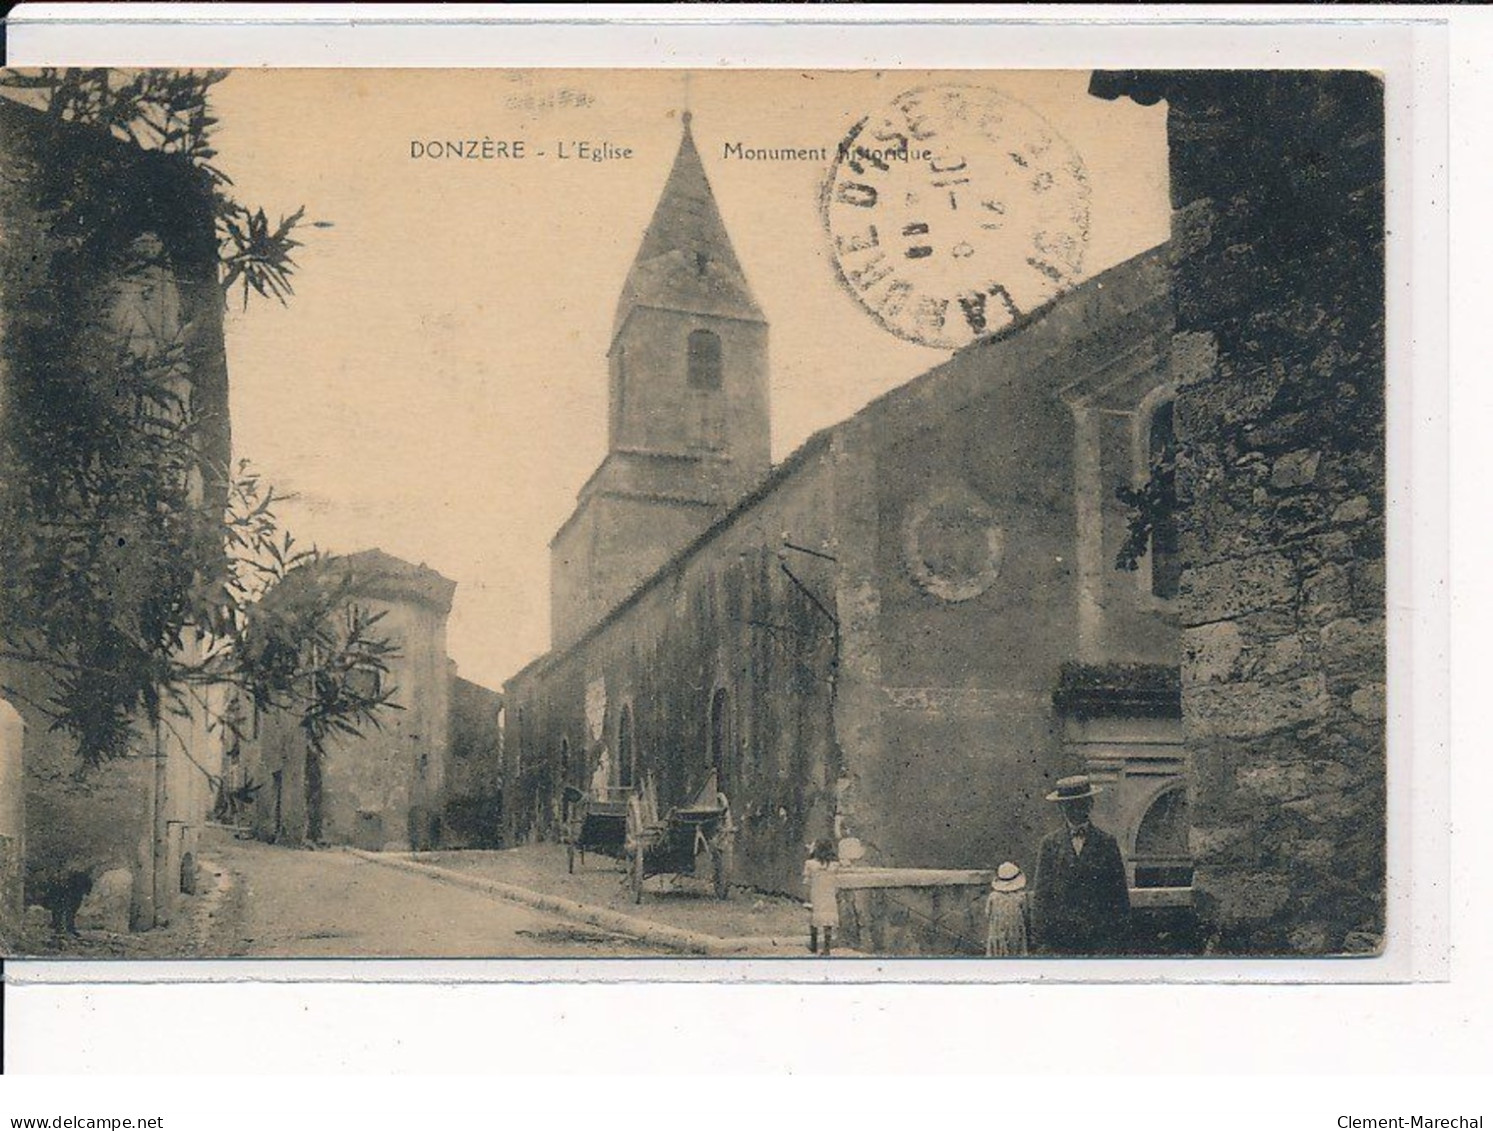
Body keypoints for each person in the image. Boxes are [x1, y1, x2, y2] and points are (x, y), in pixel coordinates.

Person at [1031, 775, 1131, 955]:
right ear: (1061, 807)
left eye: (1080, 803)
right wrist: (1043, 944)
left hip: (1099, 942)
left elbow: (1119, 896)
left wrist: (1114, 942)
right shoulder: (1049, 844)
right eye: (1068, 805)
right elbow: (1041, 897)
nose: (1074, 809)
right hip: (1060, 942)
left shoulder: (1107, 843)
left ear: (1090, 804)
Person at [801, 838, 840, 956]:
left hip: (816, 893)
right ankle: (826, 948)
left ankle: (814, 945)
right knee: (828, 919)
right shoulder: (834, 865)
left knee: (814, 918)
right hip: (829, 893)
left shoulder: (810, 864)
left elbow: (806, 881)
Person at [985, 861, 1031, 957]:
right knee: (1016, 949)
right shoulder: (1021, 896)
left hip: (997, 929)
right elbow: (1026, 914)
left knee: (997, 949)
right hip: (1015, 929)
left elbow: (988, 913)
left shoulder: (993, 896)